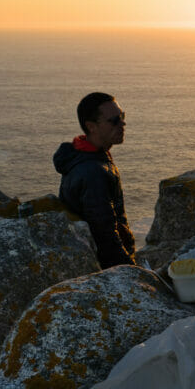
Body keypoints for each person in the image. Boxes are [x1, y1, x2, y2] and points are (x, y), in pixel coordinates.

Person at [53, 92, 136, 268]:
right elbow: (104, 235)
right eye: (114, 120)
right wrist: (132, 270)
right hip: (103, 267)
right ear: (92, 127)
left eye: (122, 116)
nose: (122, 123)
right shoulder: (92, 173)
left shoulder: (86, 156)